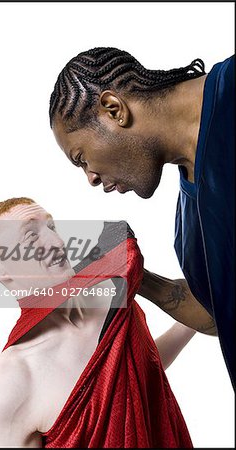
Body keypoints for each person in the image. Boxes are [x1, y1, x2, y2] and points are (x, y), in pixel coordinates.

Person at [50, 47, 235, 389]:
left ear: (113, 109)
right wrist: (139, 279)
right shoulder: (188, 232)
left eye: (81, 158)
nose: (90, 178)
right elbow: (217, 316)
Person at [0, 197, 215, 448]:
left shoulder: (110, 297)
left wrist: (189, 321)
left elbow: (132, 375)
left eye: (52, 228)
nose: (57, 242)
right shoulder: (6, 390)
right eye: (31, 236)